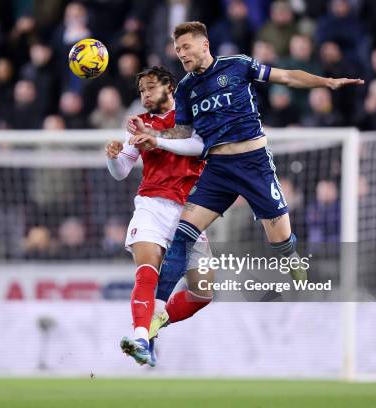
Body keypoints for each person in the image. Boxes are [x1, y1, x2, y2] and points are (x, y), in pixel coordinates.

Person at [128, 21, 363, 337]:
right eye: (177, 48)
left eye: (185, 46)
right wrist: (153, 133)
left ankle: (290, 256)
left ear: (204, 45)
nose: (180, 53)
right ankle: (157, 308)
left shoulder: (237, 66)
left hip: (254, 164)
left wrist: (326, 82)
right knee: (183, 233)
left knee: (279, 239)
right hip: (217, 169)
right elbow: (183, 132)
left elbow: (287, 76)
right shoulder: (185, 89)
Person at [106, 66, 214, 367]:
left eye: (150, 88)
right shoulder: (141, 126)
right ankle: (140, 338)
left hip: (191, 212)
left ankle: (153, 325)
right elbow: (121, 172)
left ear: (169, 86)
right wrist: (113, 157)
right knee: (147, 270)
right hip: (152, 205)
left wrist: (157, 140)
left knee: (202, 293)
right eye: (141, 91)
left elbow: (200, 146)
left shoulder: (192, 113)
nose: (145, 95)